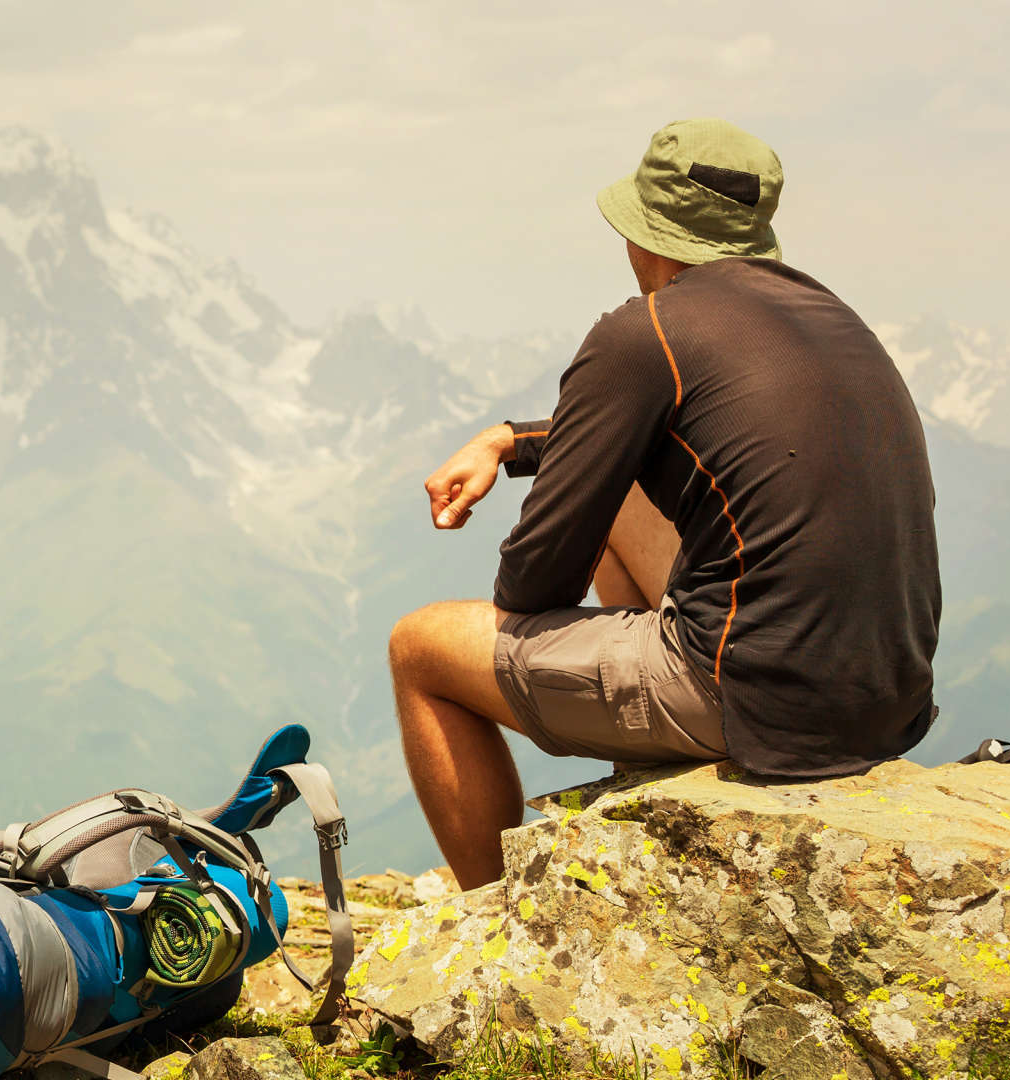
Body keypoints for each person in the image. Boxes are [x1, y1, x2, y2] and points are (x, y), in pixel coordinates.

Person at [389, 118, 940, 891]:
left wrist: (562, 481)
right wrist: (513, 442)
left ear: (644, 235)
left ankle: (487, 932)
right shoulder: (832, 320)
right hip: (887, 696)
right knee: (624, 505)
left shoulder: (642, 331)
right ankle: (647, 784)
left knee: (419, 649)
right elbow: (698, 425)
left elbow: (532, 590)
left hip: (755, 699)